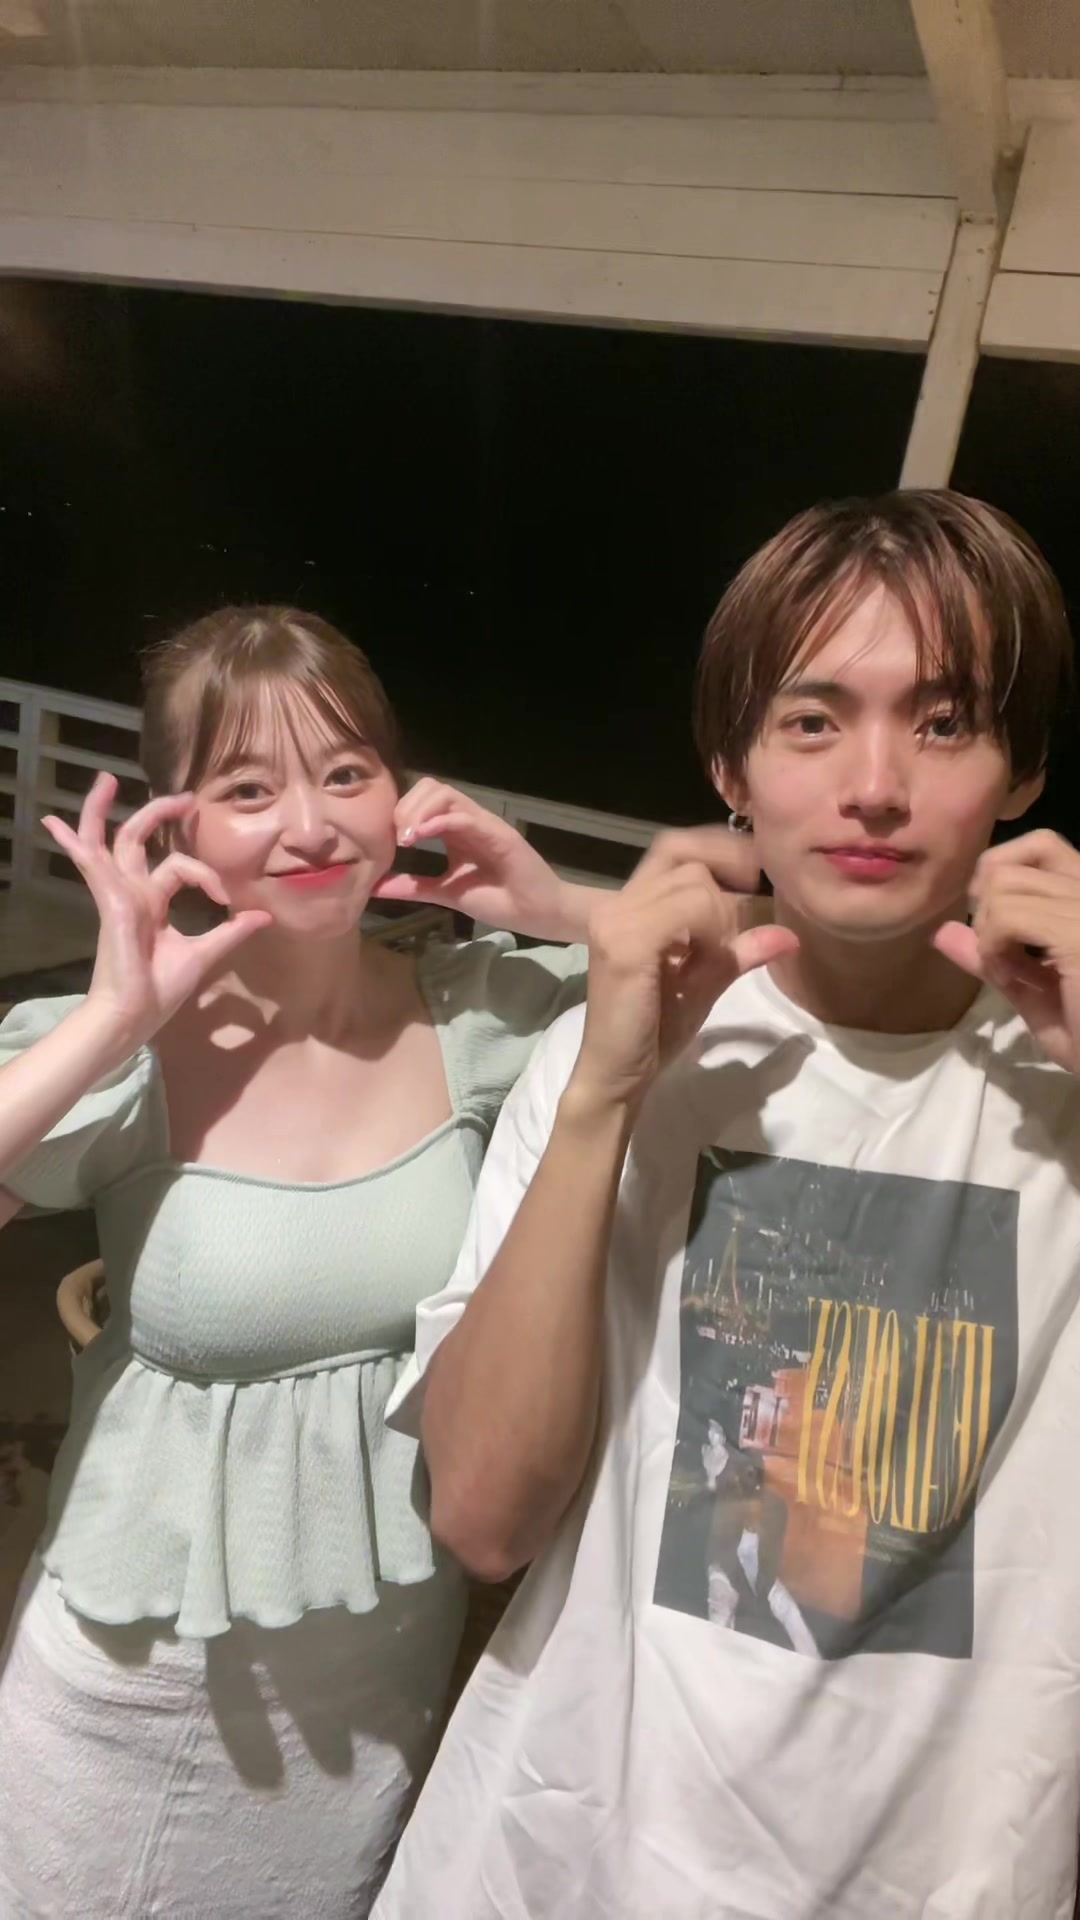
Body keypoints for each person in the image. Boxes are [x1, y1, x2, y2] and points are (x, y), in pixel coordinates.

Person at [374, 491, 1080, 1920]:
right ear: (731, 769)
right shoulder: (620, 1055)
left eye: (945, 722)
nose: (874, 784)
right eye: (812, 721)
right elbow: (485, 1517)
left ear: (1022, 771)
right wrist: (602, 1096)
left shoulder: (1057, 1089)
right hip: (560, 1857)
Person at [0, 605, 602, 1917]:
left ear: (399, 793)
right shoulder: (134, 1050)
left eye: (345, 773)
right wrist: (111, 1020)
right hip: (132, 1689)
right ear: (177, 824)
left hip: (375, 1690)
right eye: (248, 789)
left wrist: (560, 905)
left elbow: (738, 975)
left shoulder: (476, 1019)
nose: (312, 826)